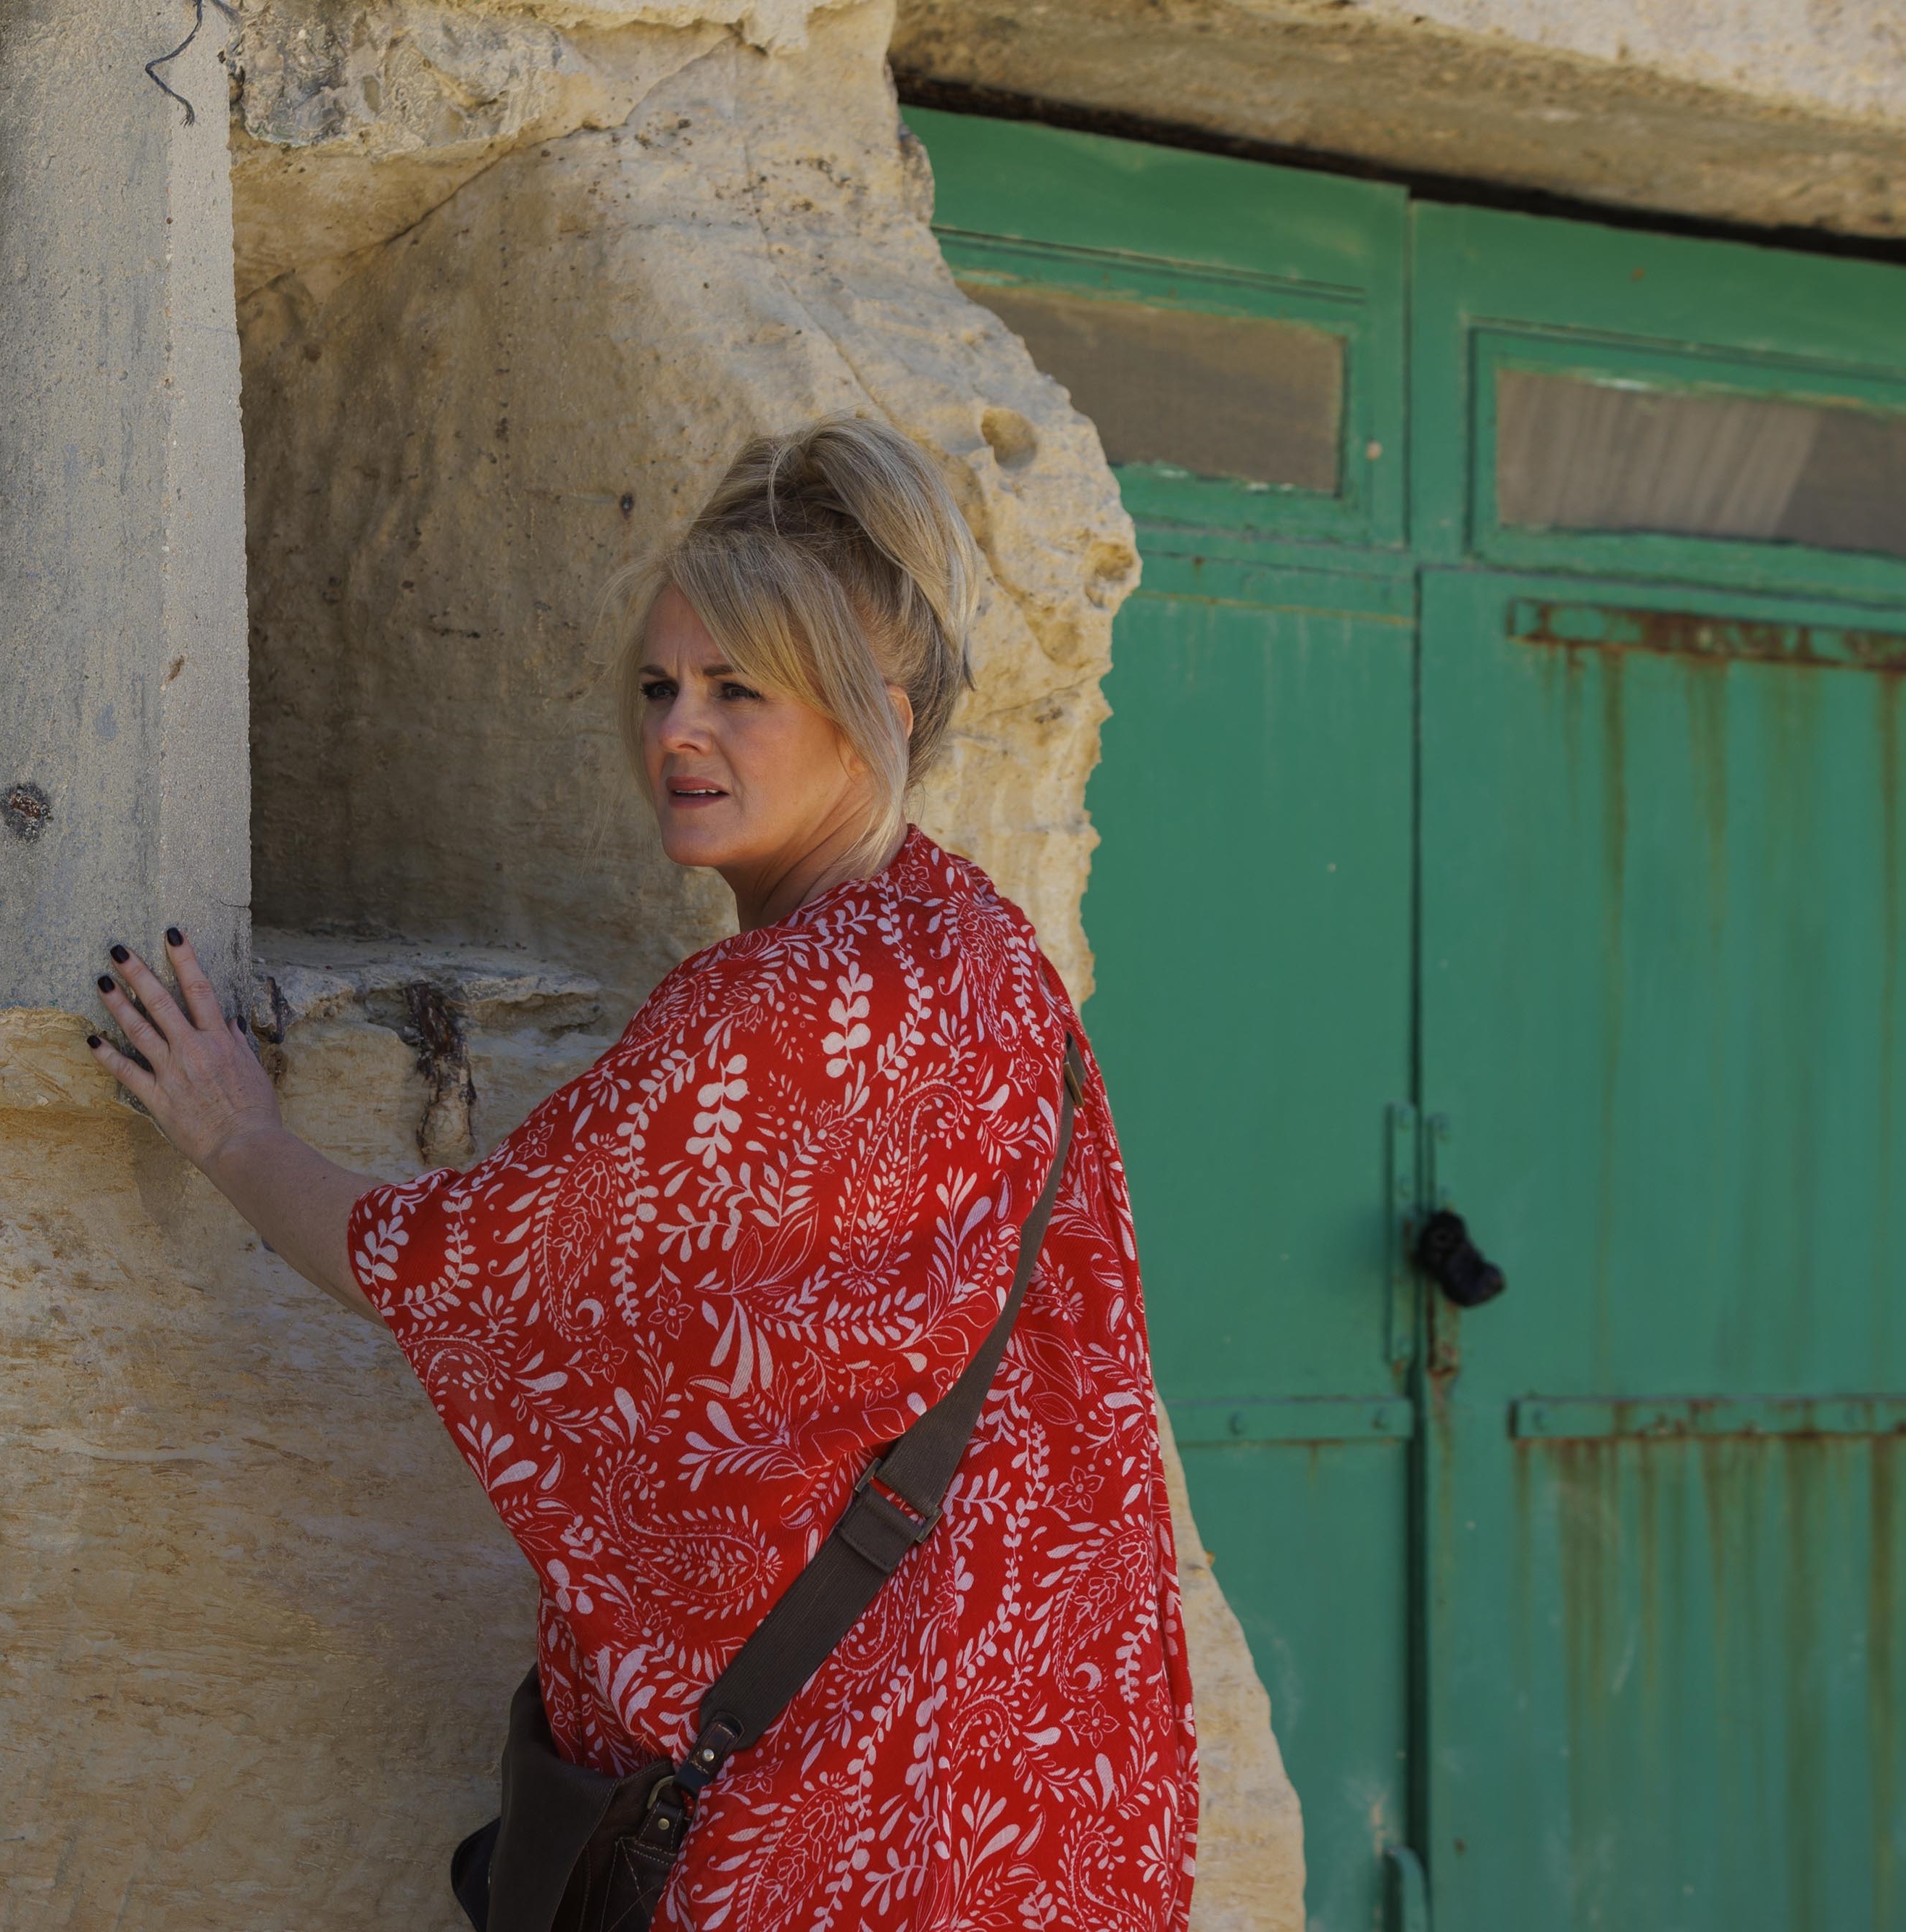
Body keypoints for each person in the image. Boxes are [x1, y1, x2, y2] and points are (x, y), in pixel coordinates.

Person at [86, 415, 1197, 1932]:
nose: (677, 729)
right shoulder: (985, 958)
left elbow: (447, 1267)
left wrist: (233, 1131)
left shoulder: (768, 1010)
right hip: (1028, 1789)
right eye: (659, 686)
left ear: (872, 709)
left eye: (738, 691)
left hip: (830, 1821)